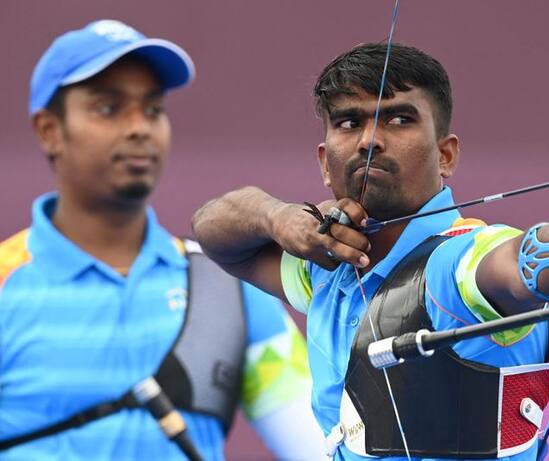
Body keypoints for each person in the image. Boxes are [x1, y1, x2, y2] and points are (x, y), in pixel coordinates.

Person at [191, 42, 549, 461]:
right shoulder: (326, 268)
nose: (369, 141)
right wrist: (277, 217)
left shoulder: (461, 263)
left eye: (399, 120)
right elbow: (215, 233)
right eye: (348, 123)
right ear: (325, 162)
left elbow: (517, 267)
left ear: (445, 155)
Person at [0, 20, 327, 461]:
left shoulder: (227, 287)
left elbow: (320, 449)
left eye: (153, 110)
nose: (140, 128)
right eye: (109, 108)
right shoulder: (5, 281)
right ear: (49, 130)